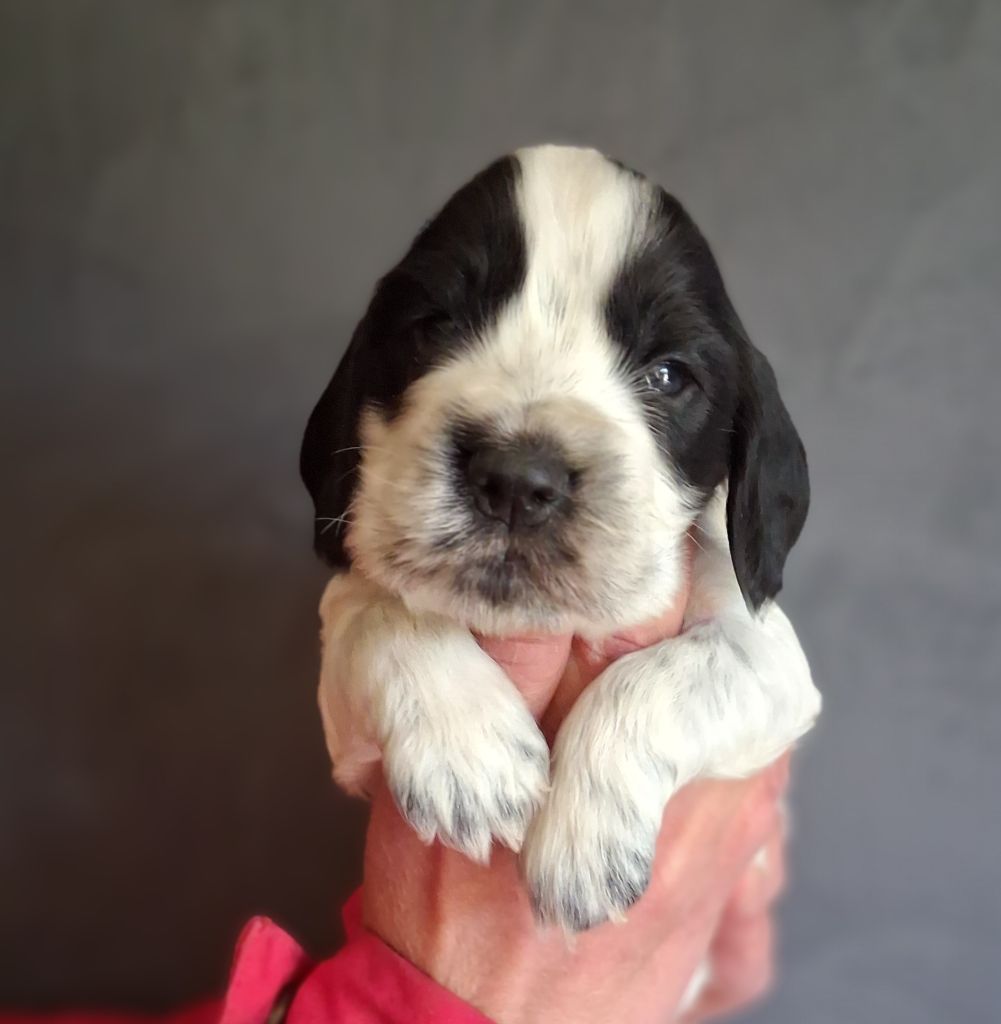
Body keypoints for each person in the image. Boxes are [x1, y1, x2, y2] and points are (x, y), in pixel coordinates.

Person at [210, 571, 793, 1024]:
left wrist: (628, 745)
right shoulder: (382, 608)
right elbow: (351, 740)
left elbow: (776, 681)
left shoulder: (717, 568)